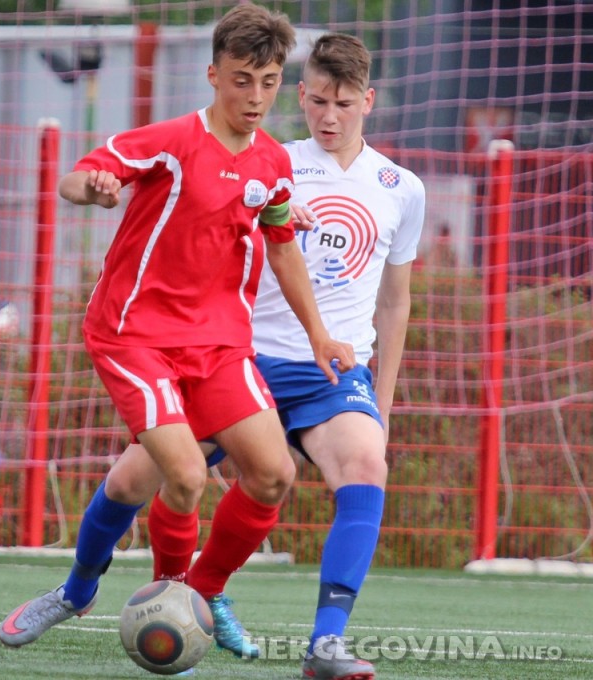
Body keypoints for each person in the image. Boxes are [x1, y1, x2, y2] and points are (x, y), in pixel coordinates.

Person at [0, 3, 354, 661]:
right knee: (184, 477)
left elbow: (281, 247)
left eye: (269, 80)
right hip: (135, 335)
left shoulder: (273, 163)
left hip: (218, 345)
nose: (255, 95)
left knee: (274, 474)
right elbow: (80, 177)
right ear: (213, 74)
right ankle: (144, 603)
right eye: (242, 79)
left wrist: (319, 336)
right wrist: (97, 189)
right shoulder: (170, 141)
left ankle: (202, 592)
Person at [106, 33, 426, 680]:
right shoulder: (270, 161)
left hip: (329, 374)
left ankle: (325, 644)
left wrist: (382, 402)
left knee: (366, 463)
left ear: (367, 101)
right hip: (238, 359)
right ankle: (81, 588)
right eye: (315, 102)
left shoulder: (401, 188)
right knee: (133, 481)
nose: (328, 117)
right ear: (300, 97)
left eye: (342, 104)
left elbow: (395, 304)